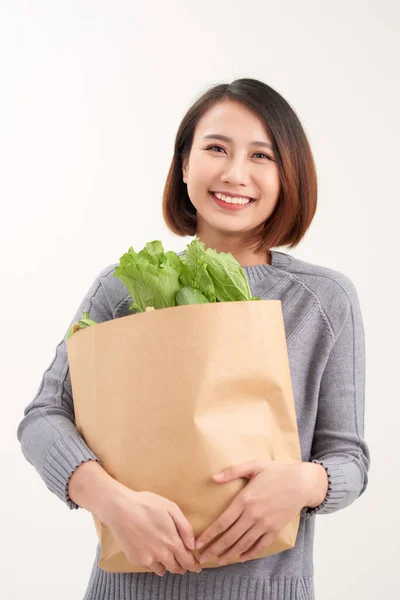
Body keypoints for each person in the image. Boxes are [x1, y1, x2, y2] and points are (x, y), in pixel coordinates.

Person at [16, 78, 370, 600]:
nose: (234, 173)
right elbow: (44, 416)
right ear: (184, 165)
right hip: (127, 589)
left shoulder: (324, 300)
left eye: (262, 156)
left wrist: (305, 483)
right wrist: (110, 500)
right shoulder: (124, 284)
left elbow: (349, 458)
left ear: (289, 174)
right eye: (216, 149)